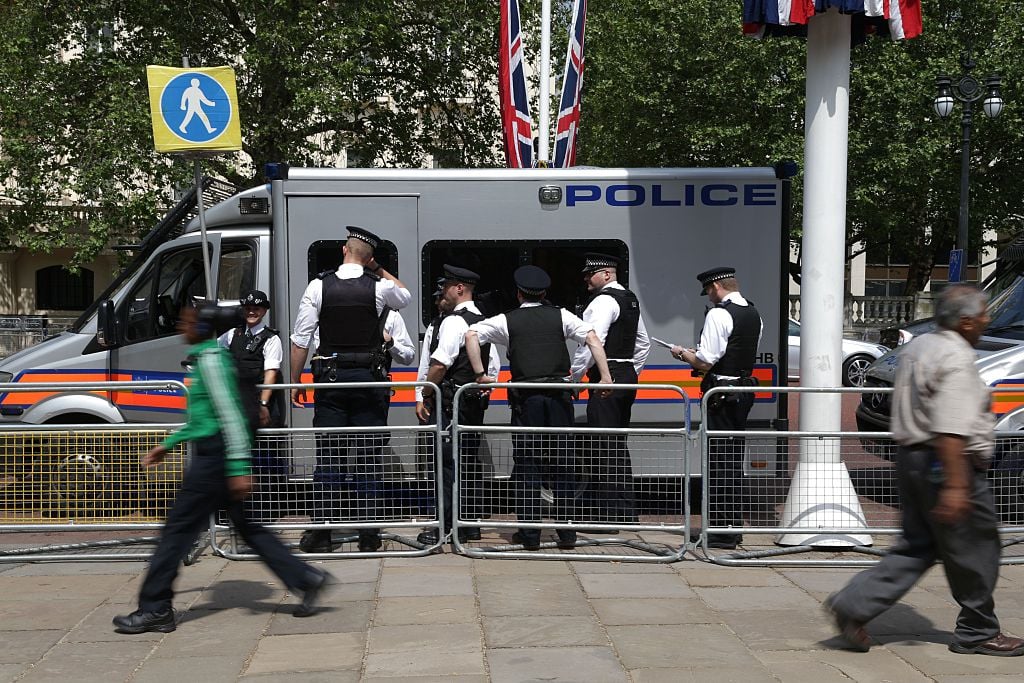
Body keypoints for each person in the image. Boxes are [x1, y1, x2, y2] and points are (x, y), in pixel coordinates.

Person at [824, 285, 1024, 657]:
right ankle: (978, 631)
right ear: (965, 322)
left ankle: (853, 605)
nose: (987, 319)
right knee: (978, 548)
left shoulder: (919, 347)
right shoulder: (956, 357)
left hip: (912, 457)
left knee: (917, 546)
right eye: (982, 313)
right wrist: (956, 486)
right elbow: (951, 429)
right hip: (947, 462)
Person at [112, 304, 333, 635]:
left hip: (214, 462)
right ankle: (307, 579)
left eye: (187, 320)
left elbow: (229, 416)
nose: (182, 325)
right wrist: (168, 445)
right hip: (217, 456)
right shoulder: (209, 357)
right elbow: (204, 418)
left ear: (201, 327)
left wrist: (238, 465)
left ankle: (155, 608)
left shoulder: (212, 361)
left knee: (175, 534)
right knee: (248, 528)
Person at [465, 265, 613, 551]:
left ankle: (530, 535)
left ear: (519, 293)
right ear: (544, 293)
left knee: (527, 464)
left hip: (527, 398)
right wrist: (605, 377)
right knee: (564, 463)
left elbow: (471, 335)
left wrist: (480, 373)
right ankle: (567, 534)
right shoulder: (561, 315)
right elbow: (593, 337)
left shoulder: (507, 319)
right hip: (558, 397)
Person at [290, 225, 411, 553]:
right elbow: (406, 295)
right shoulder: (379, 287)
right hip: (369, 383)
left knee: (328, 458)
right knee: (369, 459)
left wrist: (295, 381)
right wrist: (377, 268)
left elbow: (301, 339)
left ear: (344, 250)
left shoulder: (318, 285)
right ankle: (369, 535)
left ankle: (323, 533)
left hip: (330, 382)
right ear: (369, 257)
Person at [671, 266, 762, 550]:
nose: (709, 297)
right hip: (743, 389)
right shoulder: (753, 312)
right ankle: (733, 527)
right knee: (734, 462)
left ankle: (721, 532)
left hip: (721, 394)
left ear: (716, 287)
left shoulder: (719, 314)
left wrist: (683, 354)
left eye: (709, 291)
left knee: (718, 462)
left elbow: (705, 361)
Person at [416, 265, 501, 545]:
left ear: (459, 289)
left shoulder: (454, 321)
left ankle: (443, 526)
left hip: (450, 402)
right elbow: (493, 365)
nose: (443, 291)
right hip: (471, 402)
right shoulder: (482, 319)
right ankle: (469, 524)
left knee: (446, 463)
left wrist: (426, 393)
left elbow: (440, 363)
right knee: (467, 462)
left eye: (446, 286)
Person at [571, 253, 650, 525]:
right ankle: (625, 513)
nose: (585, 278)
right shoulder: (629, 299)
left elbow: (592, 343)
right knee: (617, 446)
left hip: (607, 378)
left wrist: (575, 379)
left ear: (606, 274)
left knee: (604, 448)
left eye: (589, 273)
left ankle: (609, 517)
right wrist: (629, 371)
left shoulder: (603, 301)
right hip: (625, 375)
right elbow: (643, 343)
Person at [218, 290, 283, 433]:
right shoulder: (232, 334)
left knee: (263, 451)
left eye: (256, 309)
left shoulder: (272, 339)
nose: (251, 312)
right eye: (248, 309)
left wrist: (263, 404)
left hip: (259, 404)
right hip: (236, 404)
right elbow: (213, 353)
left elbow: (271, 374)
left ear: (264, 311)